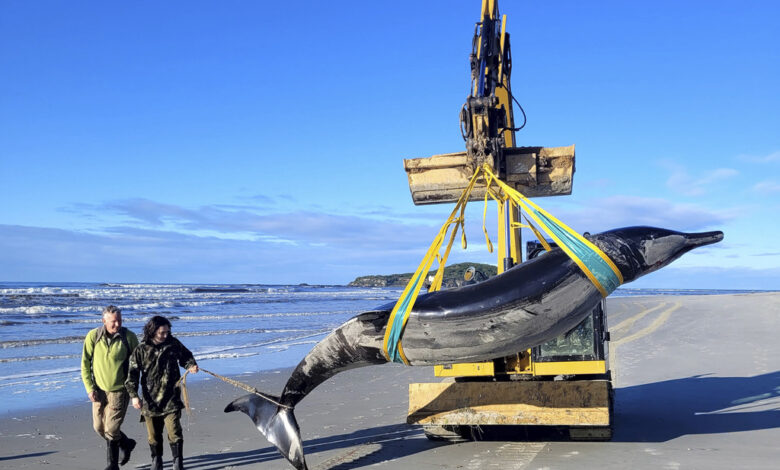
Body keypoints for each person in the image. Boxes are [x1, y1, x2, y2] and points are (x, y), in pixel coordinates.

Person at [126, 316, 198, 470]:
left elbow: (186, 356)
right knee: (153, 436)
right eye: (162, 332)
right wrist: (134, 396)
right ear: (152, 331)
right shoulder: (141, 349)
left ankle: (178, 463)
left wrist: (191, 365)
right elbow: (132, 374)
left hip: (171, 397)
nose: (165, 335)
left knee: (175, 431)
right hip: (150, 400)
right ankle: (156, 461)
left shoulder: (173, 344)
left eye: (167, 331)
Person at [81, 305, 140, 470]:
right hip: (98, 390)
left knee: (111, 429)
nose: (117, 324)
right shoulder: (93, 336)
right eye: (113, 321)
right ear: (104, 321)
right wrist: (89, 388)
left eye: (119, 320)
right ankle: (126, 443)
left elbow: (137, 365)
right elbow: (85, 363)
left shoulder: (129, 337)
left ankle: (112, 465)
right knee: (98, 427)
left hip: (120, 390)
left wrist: (135, 392)